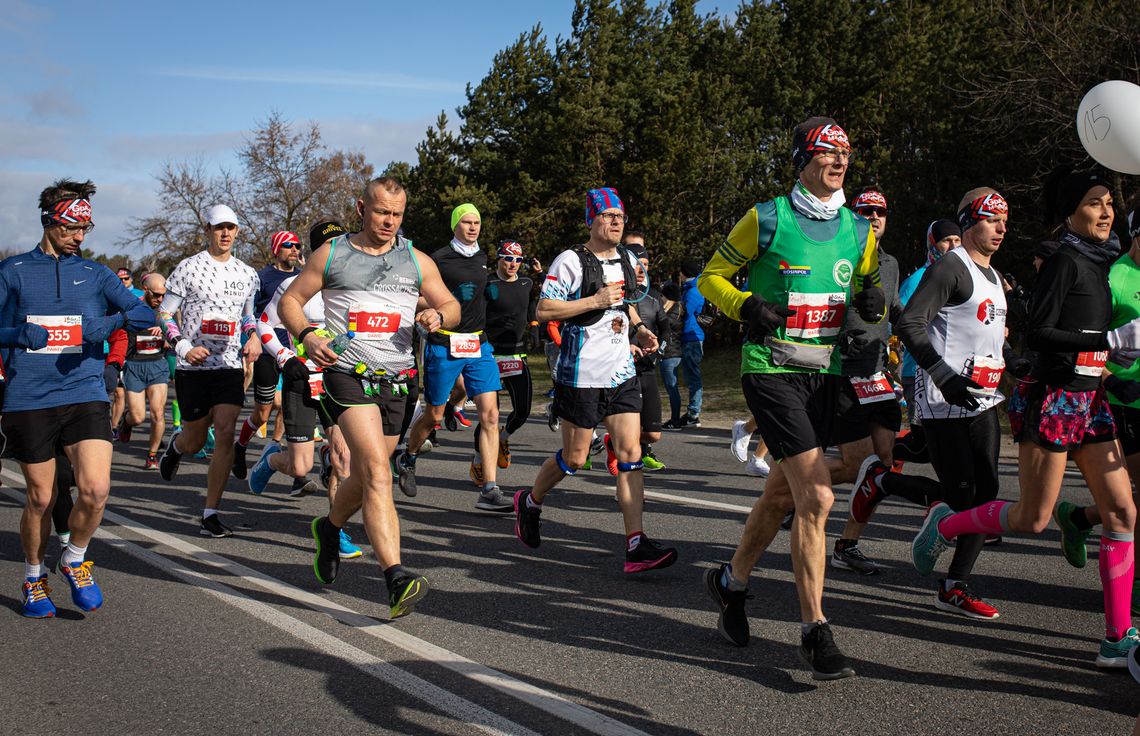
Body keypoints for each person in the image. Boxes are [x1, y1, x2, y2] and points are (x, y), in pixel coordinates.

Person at [911, 172, 1138, 664]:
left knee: (1123, 513)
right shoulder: (1064, 261)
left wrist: (1111, 363)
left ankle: (1116, 638)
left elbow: (1078, 337)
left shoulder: (1104, 263)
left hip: (1090, 399)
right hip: (1053, 400)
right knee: (1031, 518)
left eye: (1109, 205)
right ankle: (946, 526)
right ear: (1070, 212)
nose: (1106, 212)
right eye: (1094, 204)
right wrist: (1107, 343)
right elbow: (1041, 334)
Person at [697, 117, 884, 679]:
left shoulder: (858, 229)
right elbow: (711, 277)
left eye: (846, 153)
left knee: (781, 497)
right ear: (803, 157)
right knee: (819, 499)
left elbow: (865, 280)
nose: (839, 160)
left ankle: (730, 584)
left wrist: (870, 298)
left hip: (822, 374)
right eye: (828, 151)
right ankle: (814, 631)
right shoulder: (768, 217)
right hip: (770, 369)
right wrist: (748, 306)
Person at [278, 176, 459, 618]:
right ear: (362, 207)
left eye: (397, 215)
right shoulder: (333, 253)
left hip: (398, 380)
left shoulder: (415, 261)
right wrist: (306, 334)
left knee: (364, 478)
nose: (389, 222)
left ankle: (330, 525)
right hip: (346, 374)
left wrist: (438, 313)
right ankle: (396, 575)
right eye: (381, 212)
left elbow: (451, 305)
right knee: (378, 470)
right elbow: (291, 301)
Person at [0, 179, 154, 617]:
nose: (80, 237)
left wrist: (112, 323)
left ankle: (73, 558)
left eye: (86, 229)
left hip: (85, 391)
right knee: (41, 498)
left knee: (96, 488)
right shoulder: (13, 271)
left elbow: (144, 313)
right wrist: (15, 334)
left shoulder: (96, 273)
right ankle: (33, 577)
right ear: (49, 221)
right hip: (29, 397)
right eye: (71, 228)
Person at [513, 187, 676, 573]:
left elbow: (625, 305)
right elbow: (545, 308)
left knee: (631, 455)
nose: (617, 221)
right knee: (575, 458)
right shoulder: (570, 260)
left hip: (621, 372)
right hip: (581, 374)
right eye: (608, 215)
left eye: (620, 215)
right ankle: (530, 501)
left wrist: (638, 330)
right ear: (592, 220)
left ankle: (636, 545)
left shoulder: (627, 259)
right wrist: (594, 302)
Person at [888, 187, 1012, 619]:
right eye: (991, 218)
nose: (1001, 227)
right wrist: (944, 374)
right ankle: (887, 484)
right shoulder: (950, 268)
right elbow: (909, 323)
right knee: (963, 497)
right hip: (944, 401)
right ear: (967, 221)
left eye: (1004, 219)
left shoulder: (995, 276)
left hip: (983, 399)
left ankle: (955, 585)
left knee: (988, 493)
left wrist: (1018, 363)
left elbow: (993, 338)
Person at [248, 220, 362, 559]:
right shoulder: (294, 286)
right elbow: (264, 324)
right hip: (301, 379)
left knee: (344, 457)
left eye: (343, 242)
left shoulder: (356, 288)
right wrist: (285, 356)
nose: (339, 251)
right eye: (330, 245)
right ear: (318, 252)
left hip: (339, 380)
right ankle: (272, 460)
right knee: (300, 468)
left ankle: (336, 529)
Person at [396, 204, 512, 512]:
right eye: (467, 222)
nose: (473, 227)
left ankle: (489, 488)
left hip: (478, 344)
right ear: (455, 225)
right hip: (444, 343)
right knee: (433, 416)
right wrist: (431, 309)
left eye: (477, 222)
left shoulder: (483, 258)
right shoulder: (438, 258)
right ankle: (408, 456)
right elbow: (417, 294)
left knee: (490, 415)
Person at [156, 204, 262, 538]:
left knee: (226, 432)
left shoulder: (247, 274)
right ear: (207, 230)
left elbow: (248, 316)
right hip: (193, 366)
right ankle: (176, 447)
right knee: (195, 438)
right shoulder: (187, 268)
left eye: (231, 227)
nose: (226, 233)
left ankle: (210, 512)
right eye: (219, 228)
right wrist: (183, 346)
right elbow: (164, 314)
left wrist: (254, 336)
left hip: (229, 365)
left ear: (238, 231)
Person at [234, 230, 301, 479]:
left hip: (293, 351)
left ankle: (275, 444)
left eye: (297, 245)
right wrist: (252, 337)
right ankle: (239, 447)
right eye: (288, 245)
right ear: (276, 249)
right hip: (266, 350)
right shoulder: (261, 278)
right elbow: (247, 312)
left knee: (289, 404)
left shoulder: (303, 278)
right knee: (265, 410)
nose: (294, 249)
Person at [614, 237, 669, 471]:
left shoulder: (653, 297)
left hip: (648, 368)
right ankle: (629, 465)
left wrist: (658, 352)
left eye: (645, 264)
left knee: (654, 433)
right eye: (636, 263)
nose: (640, 269)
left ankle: (621, 445)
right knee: (630, 430)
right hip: (623, 371)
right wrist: (625, 348)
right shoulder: (618, 295)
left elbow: (666, 330)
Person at [484, 240, 537, 472]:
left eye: (518, 260)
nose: (513, 264)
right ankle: (479, 461)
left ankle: (504, 437)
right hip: (490, 353)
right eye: (508, 258)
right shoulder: (488, 282)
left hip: (516, 353)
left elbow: (532, 304)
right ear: (498, 258)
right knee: (490, 416)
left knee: (523, 410)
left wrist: (534, 326)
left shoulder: (526, 283)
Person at [117, 273, 171, 469]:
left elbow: (177, 332)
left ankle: (152, 455)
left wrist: (166, 337)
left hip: (157, 364)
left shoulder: (166, 310)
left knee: (158, 413)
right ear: (146, 291)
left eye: (164, 295)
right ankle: (126, 421)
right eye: (156, 295)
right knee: (138, 416)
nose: (160, 299)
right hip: (134, 365)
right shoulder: (132, 306)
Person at [663, 258, 706, 429]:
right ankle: (692, 412)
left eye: (681, 272)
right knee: (691, 375)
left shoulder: (693, 291)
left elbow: (686, 316)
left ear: (684, 273)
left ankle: (693, 413)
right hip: (692, 336)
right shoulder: (692, 288)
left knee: (693, 376)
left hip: (692, 337)